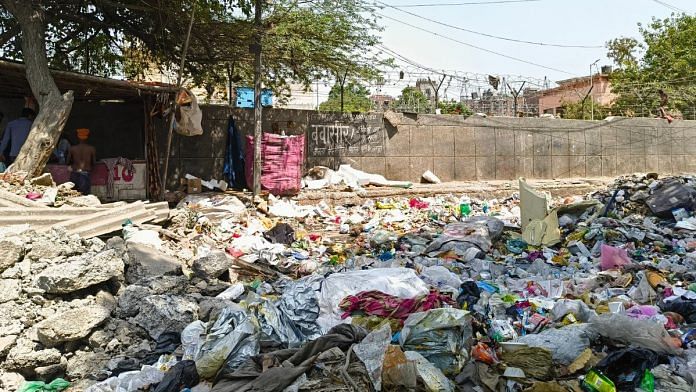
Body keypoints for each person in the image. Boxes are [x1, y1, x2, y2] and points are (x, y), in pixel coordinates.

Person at [67, 128, 96, 195]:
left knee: (73, 195)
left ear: (78, 137)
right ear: (87, 138)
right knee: (85, 195)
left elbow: (67, 162)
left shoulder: (72, 149)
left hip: (74, 173)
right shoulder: (91, 149)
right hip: (85, 173)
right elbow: (94, 162)